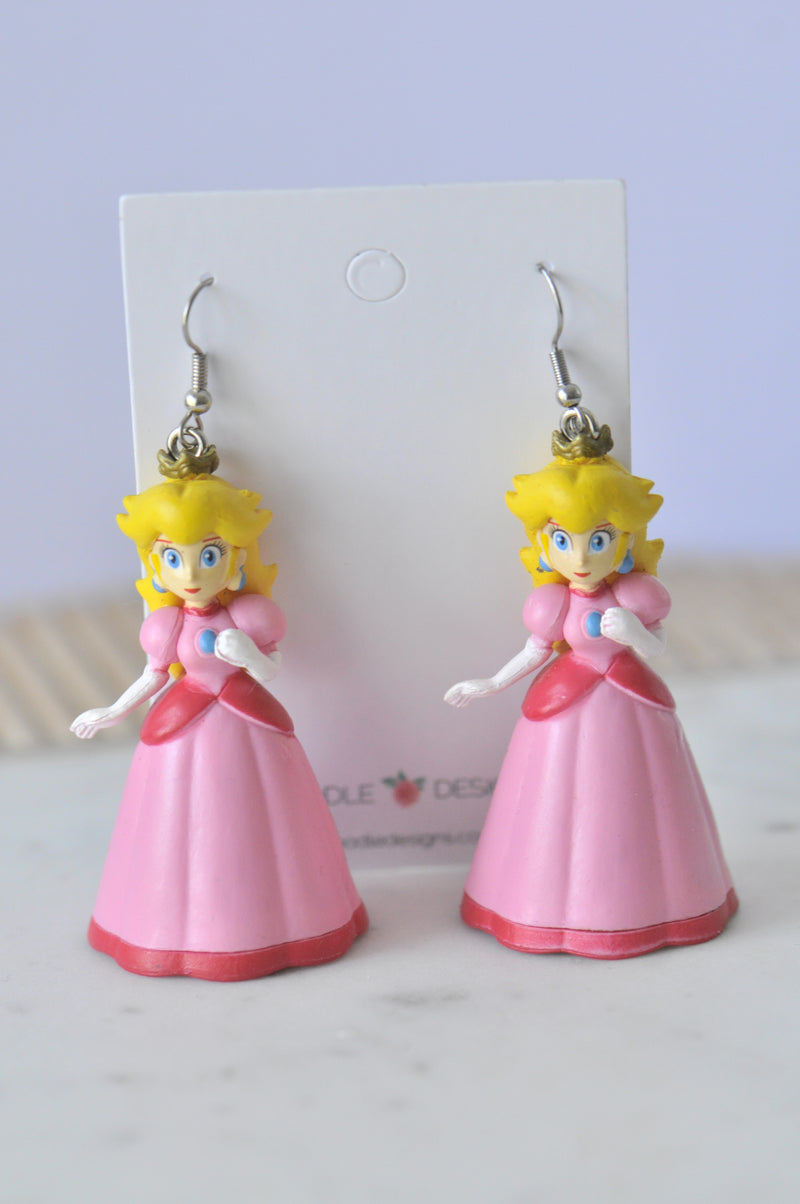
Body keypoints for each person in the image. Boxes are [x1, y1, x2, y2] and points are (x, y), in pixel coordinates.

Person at [445, 443, 737, 958]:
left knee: (641, 799)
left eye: (597, 540)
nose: (580, 559)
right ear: (545, 543)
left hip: (630, 702)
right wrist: (489, 683)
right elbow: (534, 652)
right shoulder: (552, 603)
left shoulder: (635, 597)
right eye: (563, 540)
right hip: (564, 706)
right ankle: (537, 905)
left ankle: (656, 903)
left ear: (623, 541)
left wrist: (633, 634)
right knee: (550, 801)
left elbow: (657, 649)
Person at [72, 473, 367, 980]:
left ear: (234, 561)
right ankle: (165, 927)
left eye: (208, 555)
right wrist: (113, 711)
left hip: (247, 720)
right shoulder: (166, 625)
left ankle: (282, 923)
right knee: (173, 823)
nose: (190, 573)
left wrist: (247, 654)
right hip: (181, 726)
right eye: (173, 558)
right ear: (155, 565)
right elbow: (153, 676)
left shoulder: (250, 617)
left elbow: (270, 671)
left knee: (265, 822)